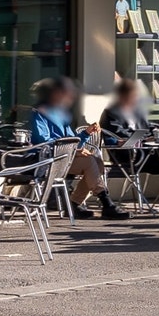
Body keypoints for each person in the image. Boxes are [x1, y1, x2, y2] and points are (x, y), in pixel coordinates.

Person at [28, 78, 128, 219]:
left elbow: (73, 141)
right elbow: (44, 141)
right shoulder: (39, 113)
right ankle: (106, 203)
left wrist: (86, 133)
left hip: (63, 158)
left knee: (96, 161)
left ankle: (75, 205)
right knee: (89, 162)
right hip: (46, 160)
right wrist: (73, 151)